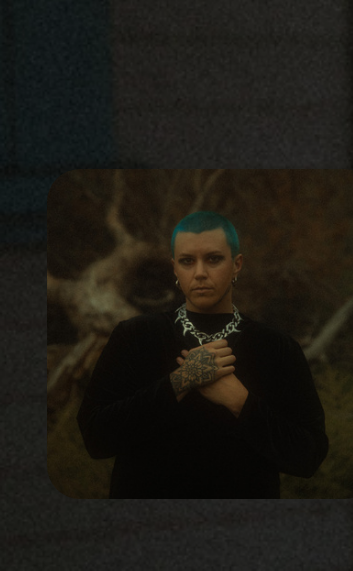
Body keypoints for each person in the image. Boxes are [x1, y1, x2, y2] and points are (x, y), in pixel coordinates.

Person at [77, 211, 330, 498]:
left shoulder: (277, 348)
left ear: (236, 265)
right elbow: (95, 438)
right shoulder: (134, 336)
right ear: (174, 268)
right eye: (187, 261)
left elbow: (309, 456)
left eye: (213, 259)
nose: (199, 272)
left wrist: (241, 402)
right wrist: (180, 381)